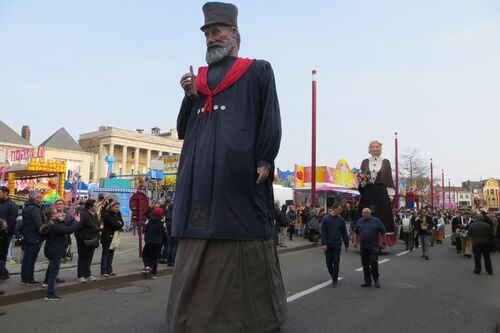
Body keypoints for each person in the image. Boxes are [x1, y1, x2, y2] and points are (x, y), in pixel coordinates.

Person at [166, 2, 286, 332]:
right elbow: (183, 130)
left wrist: (265, 157)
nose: (210, 38)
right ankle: (192, 317)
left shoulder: (258, 70)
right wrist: (189, 97)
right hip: (198, 178)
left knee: (238, 221)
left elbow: (270, 119)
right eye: (206, 32)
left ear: (234, 35)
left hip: (239, 177)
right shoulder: (198, 81)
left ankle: (251, 319)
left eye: (216, 31)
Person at [357, 140, 396, 247]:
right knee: (364, 211)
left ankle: (382, 240)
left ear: (380, 149)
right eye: (373, 147)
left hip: (381, 190)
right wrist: (363, 181)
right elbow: (361, 178)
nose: (375, 149)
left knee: (383, 214)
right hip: (368, 190)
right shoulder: (364, 161)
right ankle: (363, 238)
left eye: (377, 147)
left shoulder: (386, 161)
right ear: (369, 149)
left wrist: (391, 194)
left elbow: (388, 178)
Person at [39, 206, 80, 300]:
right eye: (56, 212)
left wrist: (61, 220)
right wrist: (76, 221)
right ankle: (50, 294)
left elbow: (62, 226)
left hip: (50, 249)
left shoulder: (50, 223)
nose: (59, 212)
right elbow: (69, 229)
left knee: (51, 267)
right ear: (53, 215)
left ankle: (45, 282)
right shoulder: (55, 226)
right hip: (55, 250)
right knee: (54, 273)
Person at [354, 208, 387, 288]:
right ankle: (367, 281)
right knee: (365, 265)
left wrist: (384, 242)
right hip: (363, 246)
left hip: (374, 246)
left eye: (365, 213)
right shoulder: (360, 221)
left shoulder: (376, 221)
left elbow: (383, 232)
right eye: (362, 213)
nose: (363, 214)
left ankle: (376, 279)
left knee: (373, 262)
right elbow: (355, 232)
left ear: (369, 213)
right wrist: (354, 241)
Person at [321, 203, 349, 288]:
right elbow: (323, 232)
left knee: (335, 262)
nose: (341, 211)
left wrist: (346, 244)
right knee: (329, 263)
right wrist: (324, 244)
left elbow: (344, 233)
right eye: (340, 209)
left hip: (337, 244)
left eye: (341, 209)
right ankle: (333, 275)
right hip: (328, 244)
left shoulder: (341, 220)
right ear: (334, 208)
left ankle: (334, 280)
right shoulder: (326, 218)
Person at [20, 191, 45, 285]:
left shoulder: (26, 207)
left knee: (26, 258)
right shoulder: (34, 209)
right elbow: (38, 224)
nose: (41, 198)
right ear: (34, 198)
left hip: (27, 236)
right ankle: (30, 279)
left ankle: (24, 277)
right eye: (39, 197)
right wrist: (44, 233)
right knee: (31, 259)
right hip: (35, 237)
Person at [75, 199, 100, 283]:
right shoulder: (83, 214)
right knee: (82, 257)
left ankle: (87, 274)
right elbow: (78, 228)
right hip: (84, 240)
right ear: (90, 207)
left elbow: (96, 224)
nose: (96, 207)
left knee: (89, 257)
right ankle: (80, 275)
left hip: (92, 239)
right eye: (95, 206)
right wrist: (82, 238)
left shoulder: (95, 214)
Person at [100, 202, 123, 277]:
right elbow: (114, 224)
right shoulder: (107, 215)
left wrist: (119, 223)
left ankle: (109, 270)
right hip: (107, 237)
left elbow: (121, 223)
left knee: (111, 254)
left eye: (118, 207)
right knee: (106, 254)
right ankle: (104, 271)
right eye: (115, 207)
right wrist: (118, 223)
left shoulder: (118, 214)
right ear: (111, 207)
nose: (117, 209)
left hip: (114, 238)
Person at [0, 186, 18, 280]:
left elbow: (12, 220)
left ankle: (3, 273)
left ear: (5, 193)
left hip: (5, 234)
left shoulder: (11, 205)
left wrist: (8, 232)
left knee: (2, 254)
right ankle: (4, 273)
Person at [142, 207, 165, 279]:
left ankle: (147, 266)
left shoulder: (149, 220)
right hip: (158, 242)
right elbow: (163, 231)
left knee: (145, 254)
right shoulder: (162, 222)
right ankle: (153, 274)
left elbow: (144, 229)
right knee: (155, 258)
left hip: (149, 240)